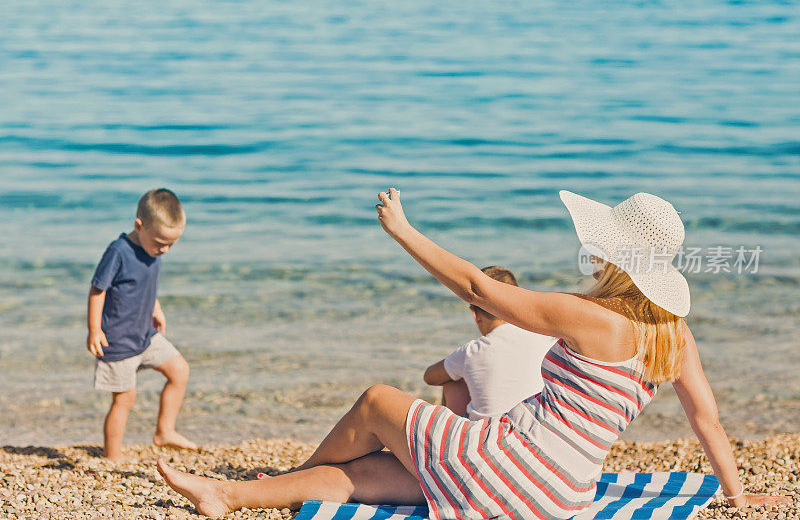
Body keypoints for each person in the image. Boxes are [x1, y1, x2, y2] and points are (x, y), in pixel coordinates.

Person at [157, 189, 790, 518]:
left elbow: (479, 289)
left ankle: (287, 477)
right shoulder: (674, 338)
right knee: (374, 477)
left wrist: (405, 231)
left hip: (510, 463)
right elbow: (706, 420)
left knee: (378, 401)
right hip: (558, 495)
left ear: (618, 260)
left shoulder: (588, 317)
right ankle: (228, 497)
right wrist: (736, 496)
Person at [87, 188, 197, 461]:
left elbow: (144, 284)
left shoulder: (153, 249)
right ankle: (112, 457)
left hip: (145, 334)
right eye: (161, 242)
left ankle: (164, 431)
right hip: (118, 340)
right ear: (139, 225)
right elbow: (97, 290)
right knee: (125, 399)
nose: (165, 250)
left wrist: (155, 307)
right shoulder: (118, 251)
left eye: (172, 244)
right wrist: (94, 329)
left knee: (179, 370)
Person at [424, 265, 556, 420]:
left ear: (476, 314)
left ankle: (446, 438)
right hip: (538, 427)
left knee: (452, 380)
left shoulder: (473, 351)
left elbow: (430, 377)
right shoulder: (546, 339)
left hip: (485, 437)